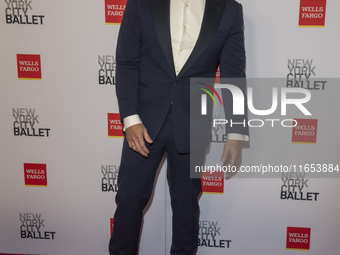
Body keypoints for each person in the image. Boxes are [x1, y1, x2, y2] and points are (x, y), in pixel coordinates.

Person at [109, 0, 249, 254]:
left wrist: (236, 133)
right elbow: (127, 62)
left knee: (186, 208)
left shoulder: (229, 9)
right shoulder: (142, 3)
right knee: (129, 201)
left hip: (193, 123)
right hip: (142, 124)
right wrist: (130, 119)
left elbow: (233, 74)